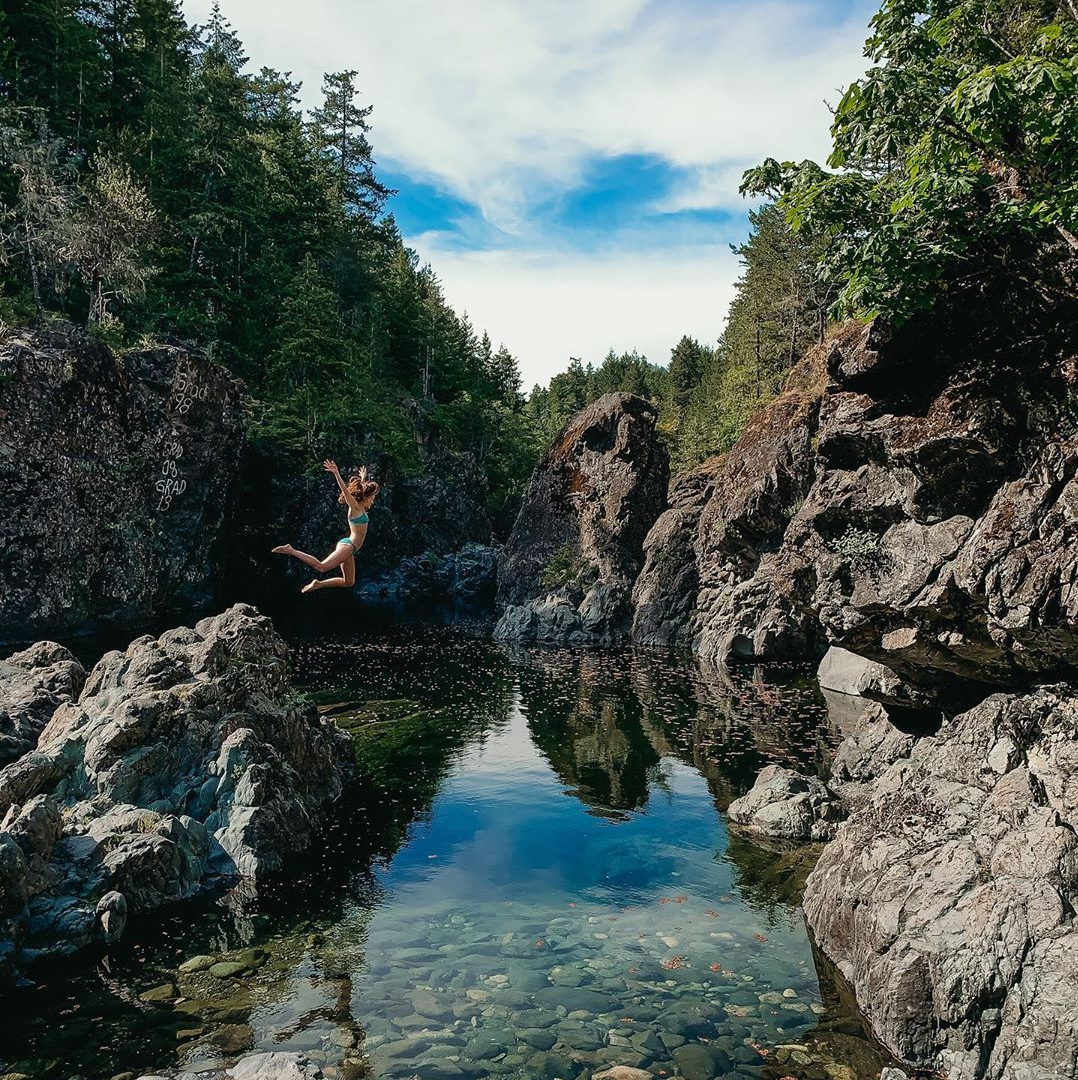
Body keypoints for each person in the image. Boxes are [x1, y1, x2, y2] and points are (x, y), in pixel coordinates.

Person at [272, 459, 379, 593]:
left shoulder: (361, 508)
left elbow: (362, 489)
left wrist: (363, 477)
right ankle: (291, 550)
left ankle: (318, 584)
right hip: (349, 545)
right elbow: (346, 493)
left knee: (349, 582)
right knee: (321, 566)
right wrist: (336, 473)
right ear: (367, 498)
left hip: (352, 548)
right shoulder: (355, 508)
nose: (373, 501)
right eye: (373, 498)